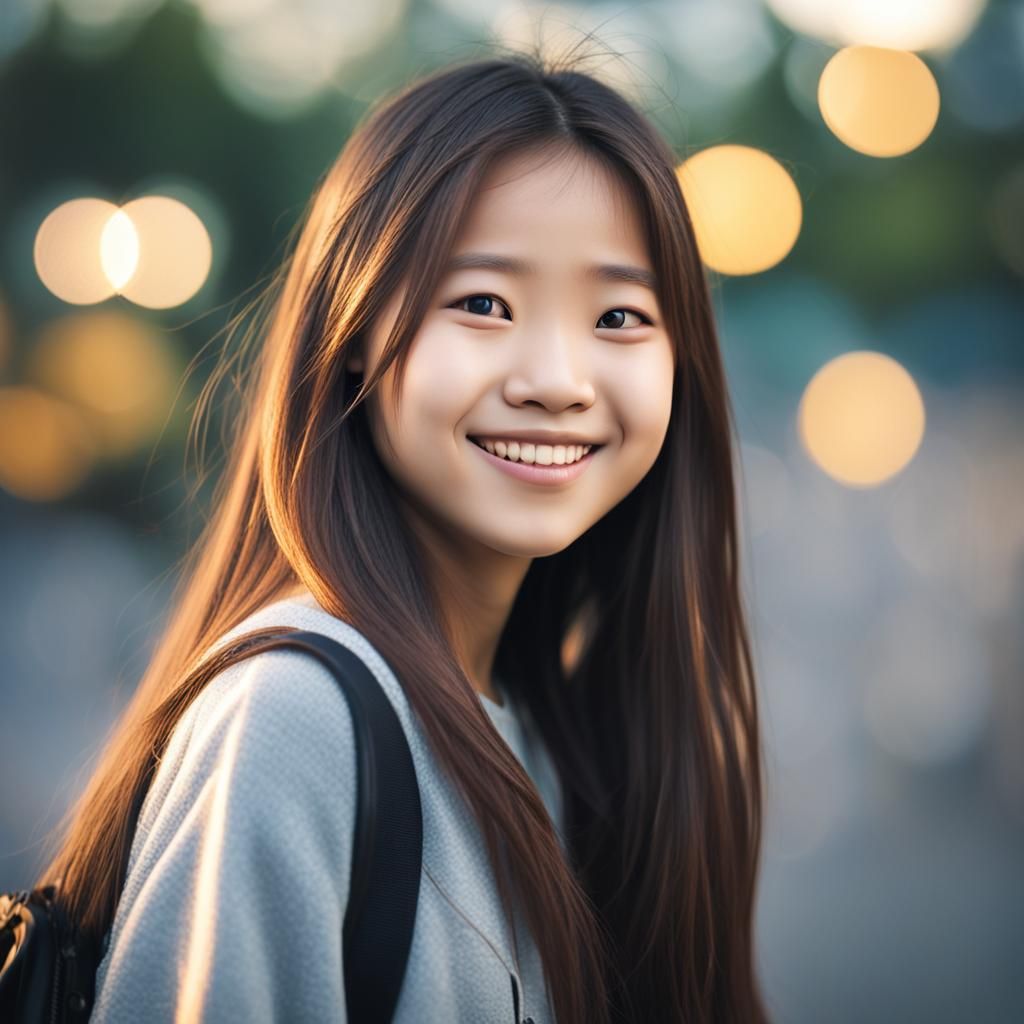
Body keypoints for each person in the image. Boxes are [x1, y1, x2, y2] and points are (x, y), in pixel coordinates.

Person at [35, 50, 768, 1024]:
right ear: (351, 336)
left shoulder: (552, 727)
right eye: (483, 304)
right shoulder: (295, 720)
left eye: (619, 315)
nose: (557, 380)